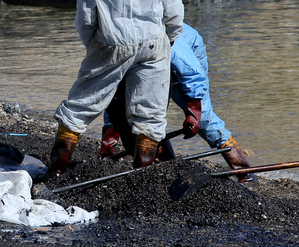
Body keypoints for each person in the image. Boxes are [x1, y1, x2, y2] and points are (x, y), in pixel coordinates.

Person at [47, 0, 184, 177]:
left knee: (79, 107)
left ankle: (56, 171)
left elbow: (86, 18)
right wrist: (167, 40)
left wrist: (96, 48)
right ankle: (142, 178)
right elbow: (174, 12)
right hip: (154, 43)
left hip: (111, 42)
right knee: (149, 116)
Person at [99, 23, 256, 184]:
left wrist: (193, 112)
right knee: (146, 119)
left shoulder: (168, 46)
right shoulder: (118, 52)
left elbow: (193, 76)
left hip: (186, 59)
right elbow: (115, 95)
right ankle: (167, 166)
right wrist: (109, 136)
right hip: (149, 63)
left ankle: (244, 171)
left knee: (204, 120)